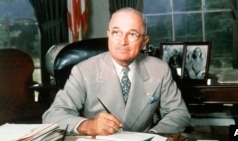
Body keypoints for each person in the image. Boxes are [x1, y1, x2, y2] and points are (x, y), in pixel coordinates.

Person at [42, 7, 190, 136]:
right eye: (116, 32)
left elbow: (179, 113)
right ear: (109, 34)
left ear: (145, 41)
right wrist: (88, 125)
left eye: (132, 34)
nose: (122, 41)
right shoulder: (83, 71)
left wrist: (154, 135)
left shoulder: (159, 69)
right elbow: (52, 115)